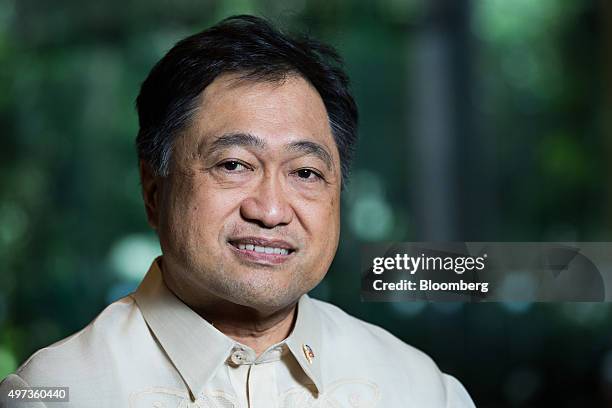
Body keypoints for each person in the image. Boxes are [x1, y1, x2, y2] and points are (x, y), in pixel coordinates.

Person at [0, 15, 475, 407]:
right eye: (233, 165)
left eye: (305, 173)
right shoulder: (56, 394)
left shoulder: (420, 390)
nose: (270, 211)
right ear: (153, 190)